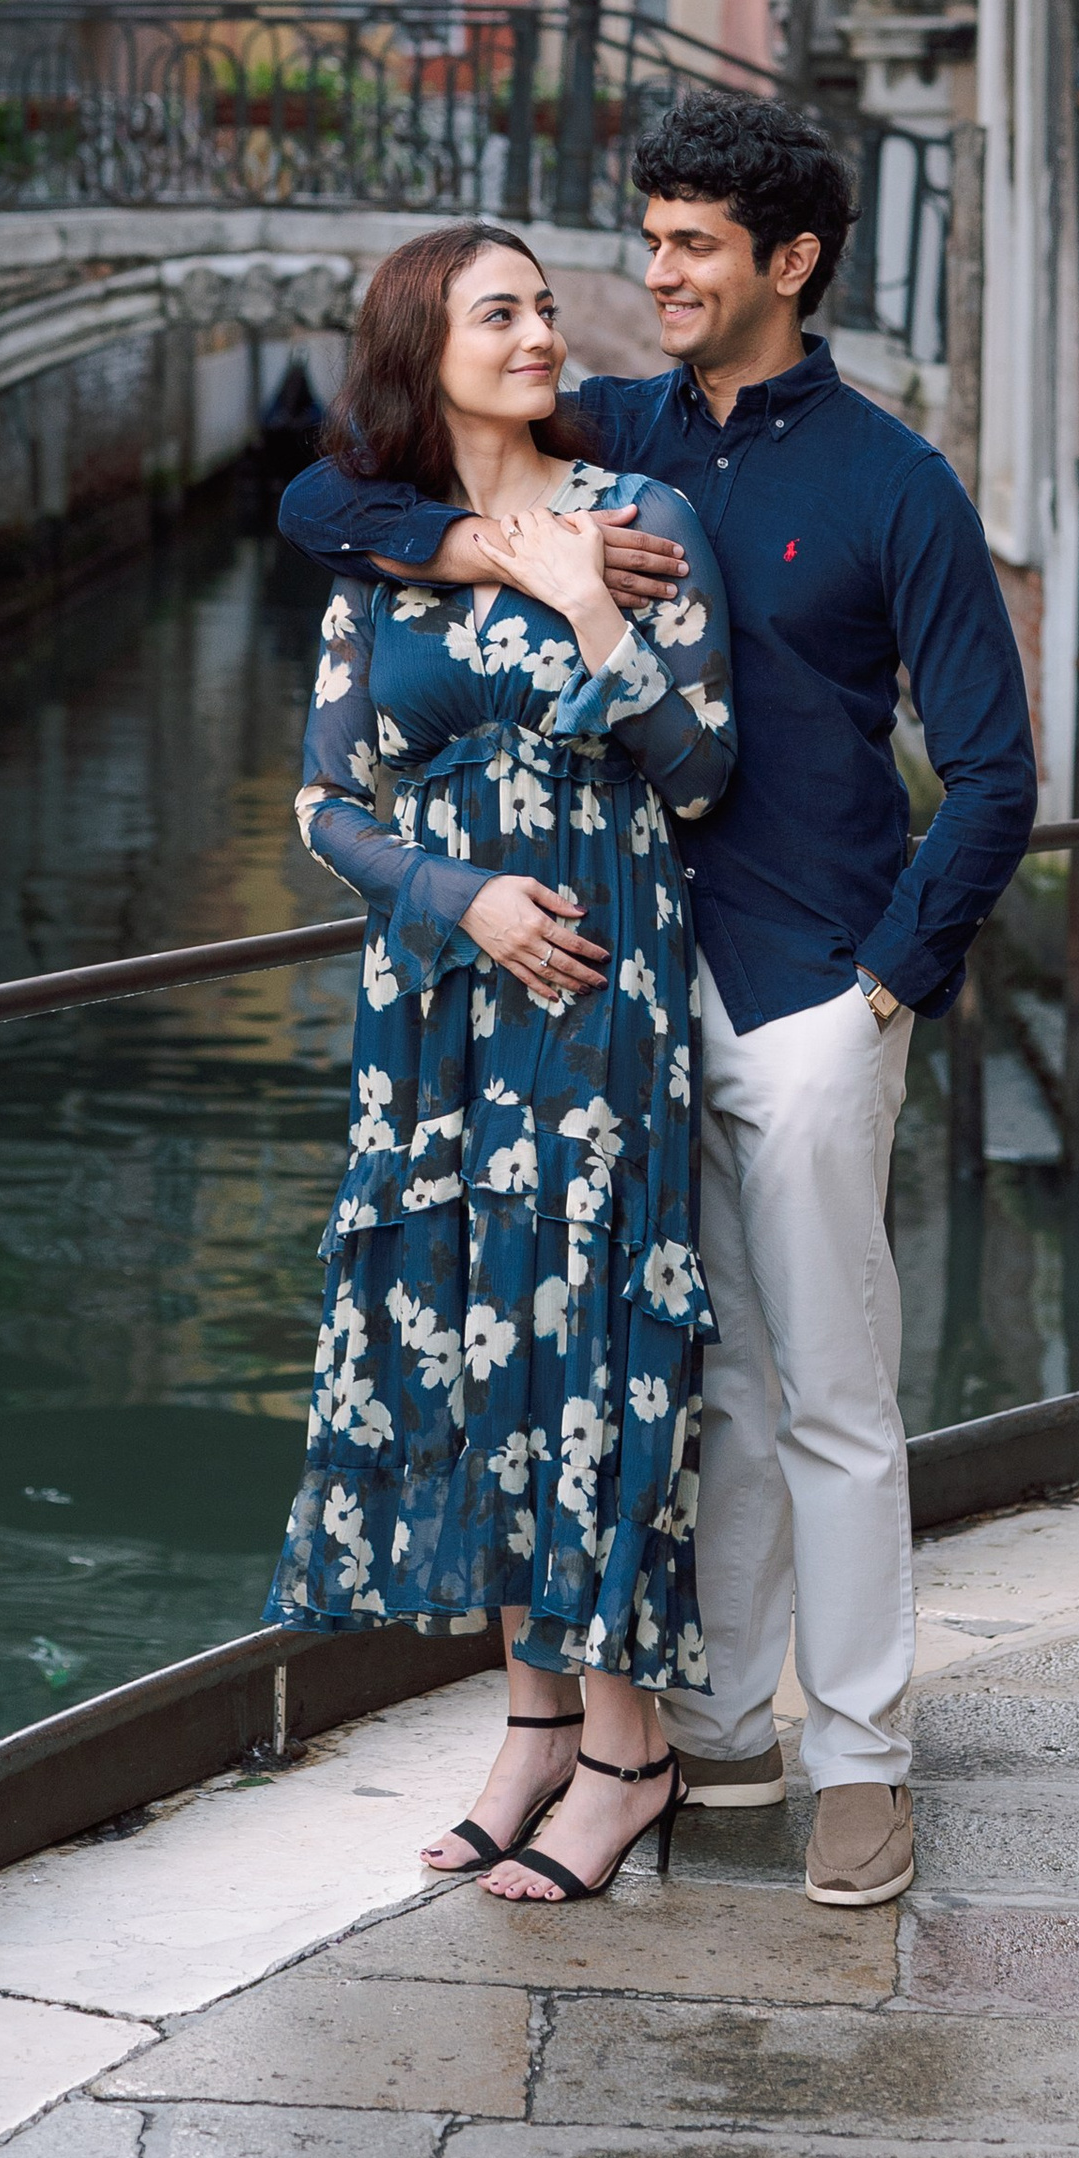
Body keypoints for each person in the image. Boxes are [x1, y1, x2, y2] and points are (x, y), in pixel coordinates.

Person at [281, 90, 1036, 1908]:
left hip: (799, 986)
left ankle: (862, 1757)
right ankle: (705, 1733)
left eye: (695, 247)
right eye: (656, 238)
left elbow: (997, 778)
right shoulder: (620, 434)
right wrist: (490, 557)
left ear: (794, 263)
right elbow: (337, 492)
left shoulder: (895, 482)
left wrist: (883, 989)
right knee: (701, 1387)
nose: (654, 275)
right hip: (611, 998)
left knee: (834, 1391)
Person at [265, 220, 737, 1904]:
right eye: (501, 313)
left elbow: (694, 770)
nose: (542, 333)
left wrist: (582, 609)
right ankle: (532, 1720)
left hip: (602, 969)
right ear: (423, 346)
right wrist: (453, 895)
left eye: (546, 307)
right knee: (468, 1316)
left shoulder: (643, 518)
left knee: (585, 1323)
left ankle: (631, 1747)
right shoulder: (379, 555)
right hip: (439, 990)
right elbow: (324, 805)